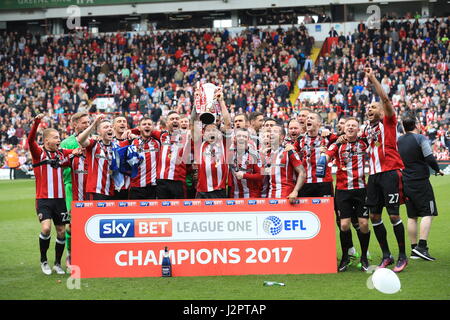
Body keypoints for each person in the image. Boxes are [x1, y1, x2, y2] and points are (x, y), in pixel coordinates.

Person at [362, 67, 407, 272]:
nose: (369, 110)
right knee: (374, 217)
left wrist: (373, 80)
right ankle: (387, 255)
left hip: (390, 173)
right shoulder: (367, 129)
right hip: (374, 176)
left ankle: (402, 256)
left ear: (381, 111)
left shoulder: (388, 121)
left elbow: (386, 100)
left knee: (394, 216)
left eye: (373, 107)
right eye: (367, 108)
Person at [27, 114, 78, 275]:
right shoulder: (38, 153)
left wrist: (78, 148)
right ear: (46, 140)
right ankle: (44, 261)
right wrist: (36, 122)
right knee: (46, 228)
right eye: (55, 138)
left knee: (62, 231)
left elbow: (76, 150)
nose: (58, 140)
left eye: (59, 137)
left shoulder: (61, 153)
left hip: (59, 200)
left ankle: (57, 263)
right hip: (43, 199)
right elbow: (30, 141)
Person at [324, 118, 371, 271]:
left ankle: (364, 257)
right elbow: (326, 157)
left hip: (361, 189)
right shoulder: (337, 144)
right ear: (344, 128)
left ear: (358, 129)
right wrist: (334, 142)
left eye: (354, 126)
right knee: (344, 224)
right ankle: (345, 257)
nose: (350, 127)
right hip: (343, 190)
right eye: (348, 125)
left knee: (363, 224)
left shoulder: (364, 142)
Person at [398, 115, 444, 261]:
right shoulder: (420, 138)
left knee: (412, 216)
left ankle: (413, 249)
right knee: (427, 213)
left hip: (406, 181)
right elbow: (429, 157)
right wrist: (437, 170)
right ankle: (422, 248)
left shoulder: (398, 141)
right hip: (420, 181)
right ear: (416, 125)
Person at [60, 111, 90, 268]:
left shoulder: (92, 140)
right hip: (72, 187)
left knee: (89, 223)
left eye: (88, 122)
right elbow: (60, 165)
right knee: (72, 224)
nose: (87, 125)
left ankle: (87, 254)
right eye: (84, 122)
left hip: (90, 188)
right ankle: (70, 254)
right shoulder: (66, 143)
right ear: (75, 124)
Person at [192, 86, 231, 199]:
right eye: (208, 130)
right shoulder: (200, 144)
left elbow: (228, 124)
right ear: (203, 134)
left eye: (213, 129)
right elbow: (193, 124)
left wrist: (221, 101)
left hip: (219, 190)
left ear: (218, 132)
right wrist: (196, 105)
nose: (211, 132)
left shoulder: (223, 142)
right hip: (202, 191)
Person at [296, 112, 337, 197]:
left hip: (324, 182)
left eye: (312, 118)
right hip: (306, 182)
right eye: (307, 118)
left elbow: (342, 140)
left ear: (319, 123)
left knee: (325, 210)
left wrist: (328, 132)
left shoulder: (328, 137)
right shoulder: (300, 139)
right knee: (307, 209)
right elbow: (292, 151)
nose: (308, 119)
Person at [77, 115, 117, 200]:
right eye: (106, 127)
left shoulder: (116, 147)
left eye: (110, 127)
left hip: (111, 191)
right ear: (99, 132)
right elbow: (80, 140)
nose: (109, 129)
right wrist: (94, 124)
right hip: (95, 191)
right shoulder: (94, 144)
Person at [120, 117, 160, 199]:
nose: (147, 126)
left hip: (153, 187)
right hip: (136, 186)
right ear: (139, 128)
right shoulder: (131, 142)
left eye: (149, 124)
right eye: (144, 124)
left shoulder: (158, 142)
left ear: (153, 127)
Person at [265, 123, 306, 201]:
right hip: (270, 196)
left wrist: (295, 191)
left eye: (275, 131)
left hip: (287, 195)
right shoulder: (267, 154)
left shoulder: (288, 151)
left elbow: (302, 172)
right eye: (270, 132)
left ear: (282, 136)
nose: (271, 134)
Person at [229, 128, 262, 198]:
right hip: (234, 194)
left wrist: (244, 176)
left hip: (250, 195)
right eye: (239, 136)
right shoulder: (230, 153)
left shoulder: (254, 154)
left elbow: (261, 175)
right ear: (234, 138)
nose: (241, 138)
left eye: (244, 136)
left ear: (248, 139)